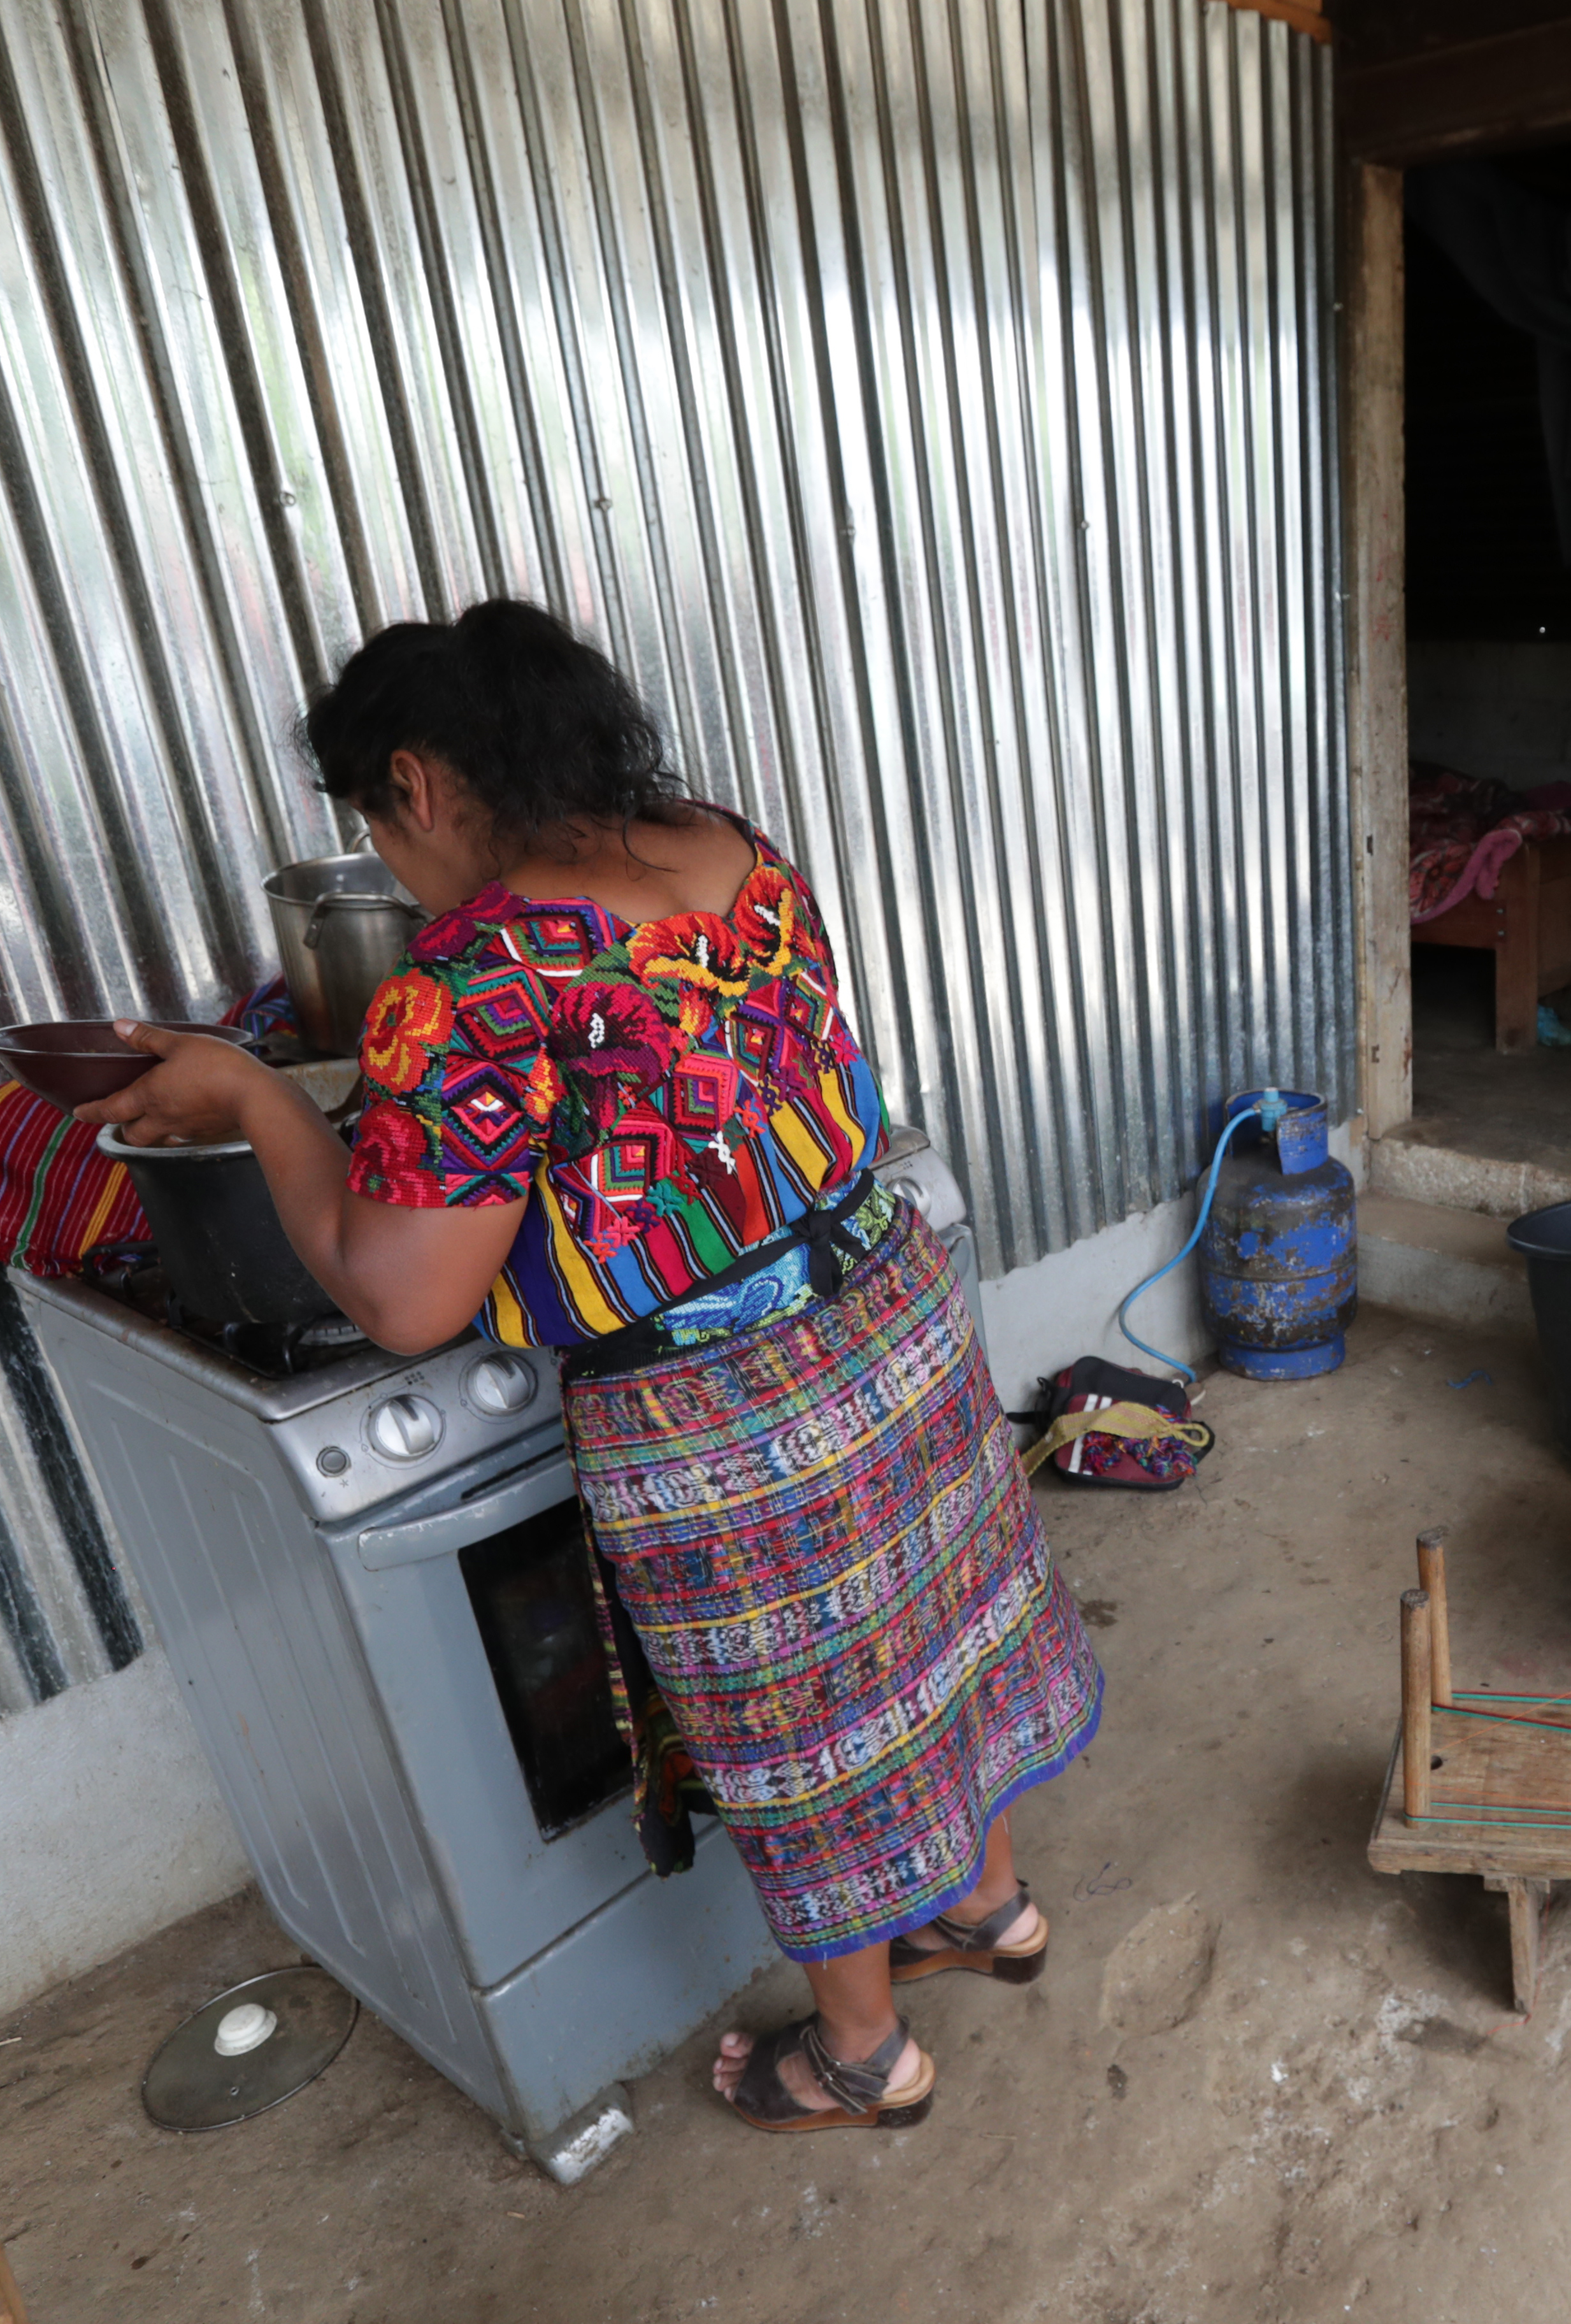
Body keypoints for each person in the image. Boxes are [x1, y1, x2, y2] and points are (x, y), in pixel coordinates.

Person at [82, 598, 1100, 2134]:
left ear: (415, 786)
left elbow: (404, 1298)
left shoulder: (479, 976)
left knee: (808, 1726)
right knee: (934, 1637)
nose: (396, 860)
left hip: (729, 1413)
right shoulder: (725, 849)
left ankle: (864, 2057)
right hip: (891, 1319)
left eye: (379, 821)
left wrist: (254, 1097)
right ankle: (986, 1909)